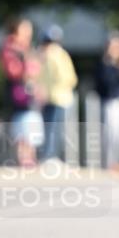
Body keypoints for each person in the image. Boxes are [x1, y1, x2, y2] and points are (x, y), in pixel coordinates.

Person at [0, 18, 44, 167]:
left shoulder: (26, 48)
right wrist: (27, 70)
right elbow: (14, 71)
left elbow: (36, 70)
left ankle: (30, 156)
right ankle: (23, 158)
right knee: (22, 124)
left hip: (29, 94)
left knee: (31, 124)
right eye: (24, 29)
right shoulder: (11, 48)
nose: (28, 33)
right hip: (18, 92)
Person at [38, 25, 78, 161]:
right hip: (56, 98)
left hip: (54, 98)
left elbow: (68, 78)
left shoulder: (48, 54)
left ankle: (49, 156)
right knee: (53, 128)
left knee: (51, 128)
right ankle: (49, 156)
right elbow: (70, 78)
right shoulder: (58, 55)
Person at [95, 31, 119, 173]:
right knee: (111, 135)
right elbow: (105, 84)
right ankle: (109, 163)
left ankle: (118, 162)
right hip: (110, 103)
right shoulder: (104, 65)